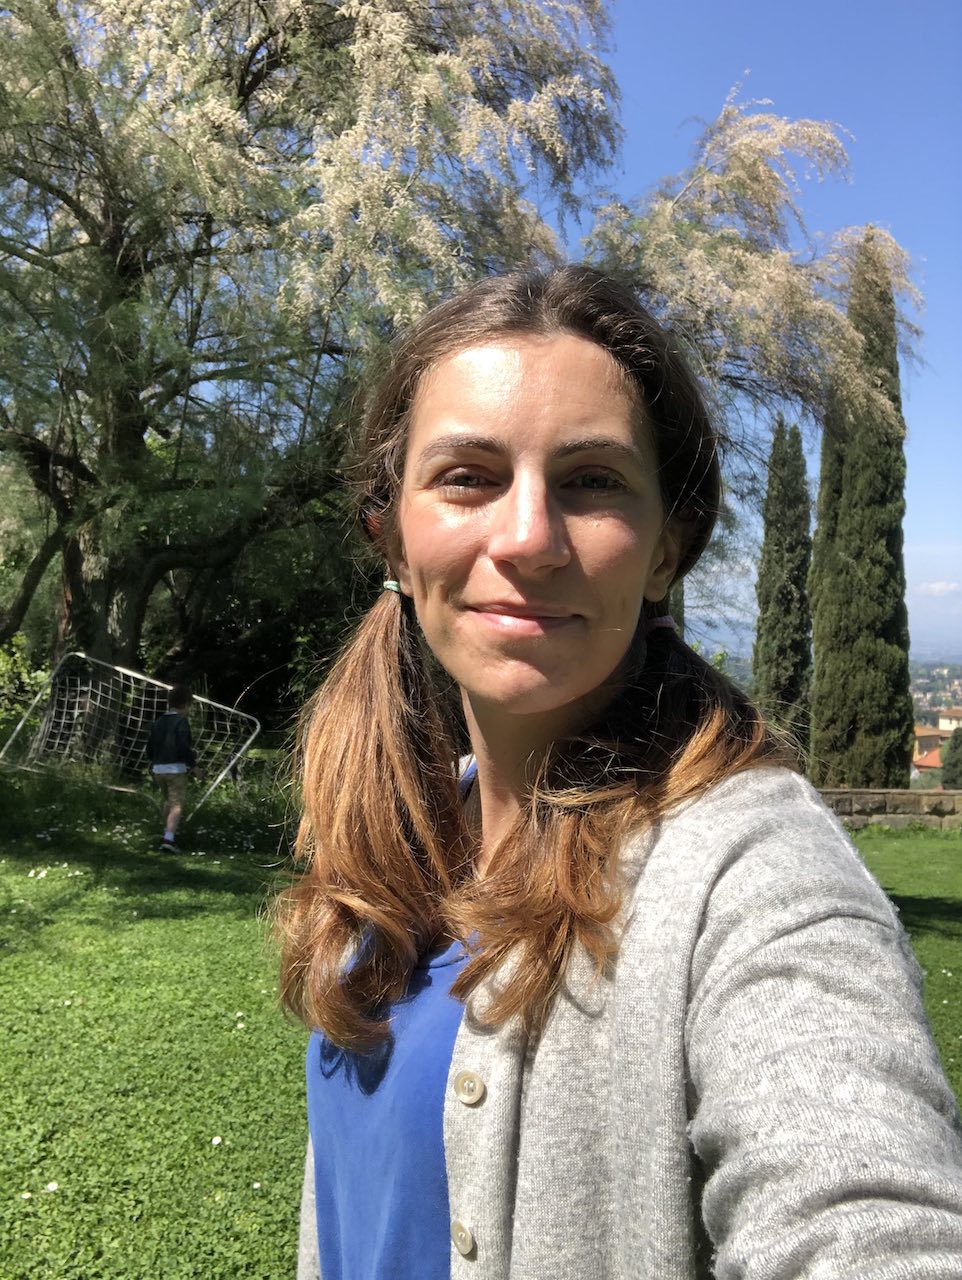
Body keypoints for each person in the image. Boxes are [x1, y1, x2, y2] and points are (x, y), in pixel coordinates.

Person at [277, 266, 962, 1279]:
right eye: (467, 475)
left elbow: (865, 1213)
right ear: (392, 537)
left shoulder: (747, 871)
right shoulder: (407, 832)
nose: (527, 538)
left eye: (592, 480)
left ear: (665, 552)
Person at [146, 684, 195, 851]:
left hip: (158, 769)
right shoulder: (181, 721)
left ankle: (166, 832)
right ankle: (168, 840)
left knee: (168, 802)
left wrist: (155, 761)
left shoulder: (158, 722)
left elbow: (150, 748)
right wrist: (193, 766)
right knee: (176, 805)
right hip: (176, 770)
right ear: (186, 704)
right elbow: (183, 747)